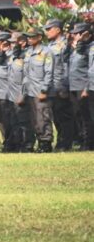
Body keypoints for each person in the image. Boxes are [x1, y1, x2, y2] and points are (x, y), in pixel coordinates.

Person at [45, 19, 76, 151]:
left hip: (61, 85)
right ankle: (61, 141)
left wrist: (64, 86)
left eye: (49, 29)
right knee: (56, 117)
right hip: (52, 86)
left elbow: (67, 66)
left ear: (58, 29)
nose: (47, 32)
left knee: (64, 117)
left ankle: (65, 143)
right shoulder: (50, 45)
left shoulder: (65, 44)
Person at [23, 27, 55, 153]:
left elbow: (49, 72)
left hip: (41, 91)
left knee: (44, 117)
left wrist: (44, 90)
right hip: (30, 91)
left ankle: (46, 143)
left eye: (32, 37)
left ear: (40, 37)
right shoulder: (28, 51)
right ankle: (39, 140)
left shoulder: (46, 52)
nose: (29, 39)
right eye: (28, 37)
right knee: (35, 119)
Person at [7, 32, 34, 152]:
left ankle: (27, 145)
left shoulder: (27, 56)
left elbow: (27, 77)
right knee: (14, 122)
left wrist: (23, 95)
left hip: (21, 93)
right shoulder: (13, 55)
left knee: (24, 122)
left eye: (14, 42)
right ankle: (18, 144)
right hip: (11, 93)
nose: (12, 45)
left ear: (22, 42)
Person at [69, 23, 93, 151]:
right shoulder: (78, 48)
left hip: (83, 87)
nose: (74, 35)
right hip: (74, 87)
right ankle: (83, 140)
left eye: (77, 33)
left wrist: (86, 88)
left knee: (86, 117)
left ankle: (88, 143)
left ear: (85, 34)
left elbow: (90, 70)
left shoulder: (89, 48)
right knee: (78, 115)